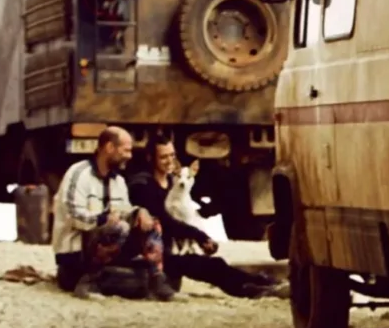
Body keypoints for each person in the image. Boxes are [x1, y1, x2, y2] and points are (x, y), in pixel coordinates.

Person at [125, 136, 284, 299]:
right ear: (150, 158)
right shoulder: (143, 186)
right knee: (207, 266)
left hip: (174, 249)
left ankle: (259, 282)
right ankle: (249, 289)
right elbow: (165, 222)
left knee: (215, 263)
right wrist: (198, 235)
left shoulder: (176, 183)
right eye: (163, 157)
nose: (169, 161)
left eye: (172, 155)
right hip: (155, 254)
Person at [51, 126, 176, 301]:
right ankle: (88, 282)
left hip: (109, 251)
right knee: (117, 227)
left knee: (150, 222)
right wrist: (103, 219)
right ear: (110, 148)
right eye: (126, 150)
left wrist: (139, 212)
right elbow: (73, 216)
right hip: (76, 254)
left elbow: (125, 211)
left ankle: (157, 281)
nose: (130, 156)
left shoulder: (118, 181)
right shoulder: (79, 173)